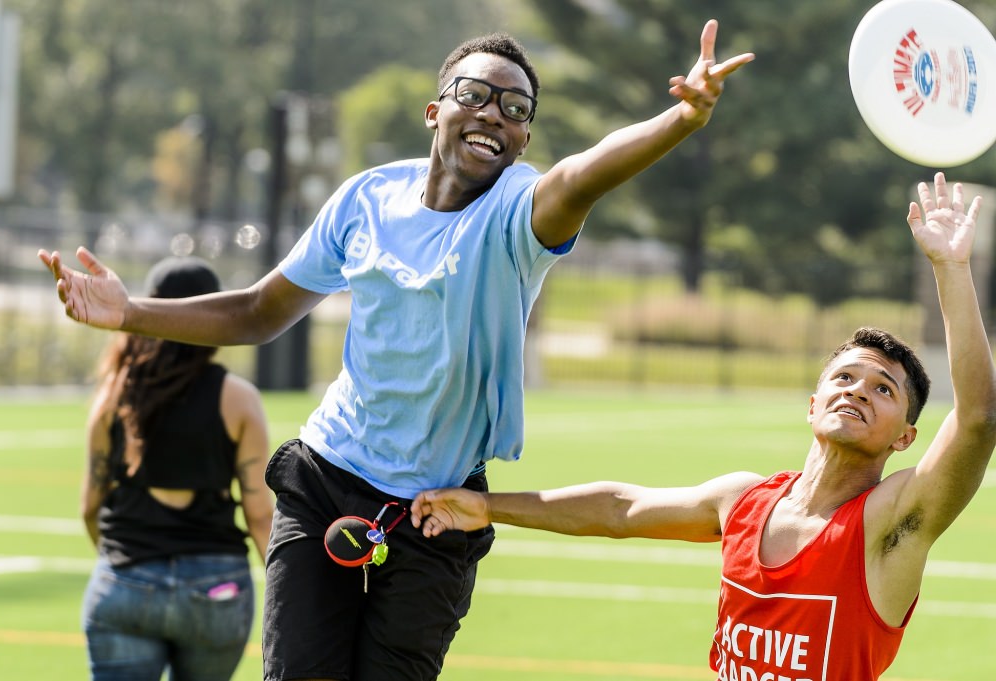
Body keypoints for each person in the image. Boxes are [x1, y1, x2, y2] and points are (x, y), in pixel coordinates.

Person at [40, 21, 754, 681]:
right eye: (474, 94)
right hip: (324, 479)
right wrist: (130, 312)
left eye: (515, 108)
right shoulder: (365, 199)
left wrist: (683, 118)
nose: (493, 113)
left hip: (436, 508)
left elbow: (584, 173)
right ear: (434, 112)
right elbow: (260, 311)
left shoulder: (519, 210)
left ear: (524, 142)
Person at [411, 173, 996, 681]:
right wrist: (489, 507)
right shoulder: (743, 500)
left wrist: (951, 267)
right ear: (812, 402)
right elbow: (620, 509)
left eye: (883, 390)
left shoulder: (888, 525)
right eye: (844, 378)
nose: (857, 391)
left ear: (904, 438)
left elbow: (978, 419)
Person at [80, 256, 273, 681]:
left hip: (126, 584)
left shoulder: (115, 393)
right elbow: (260, 515)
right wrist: (292, 599)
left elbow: (89, 510)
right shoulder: (239, 398)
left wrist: (125, 569)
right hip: (217, 590)